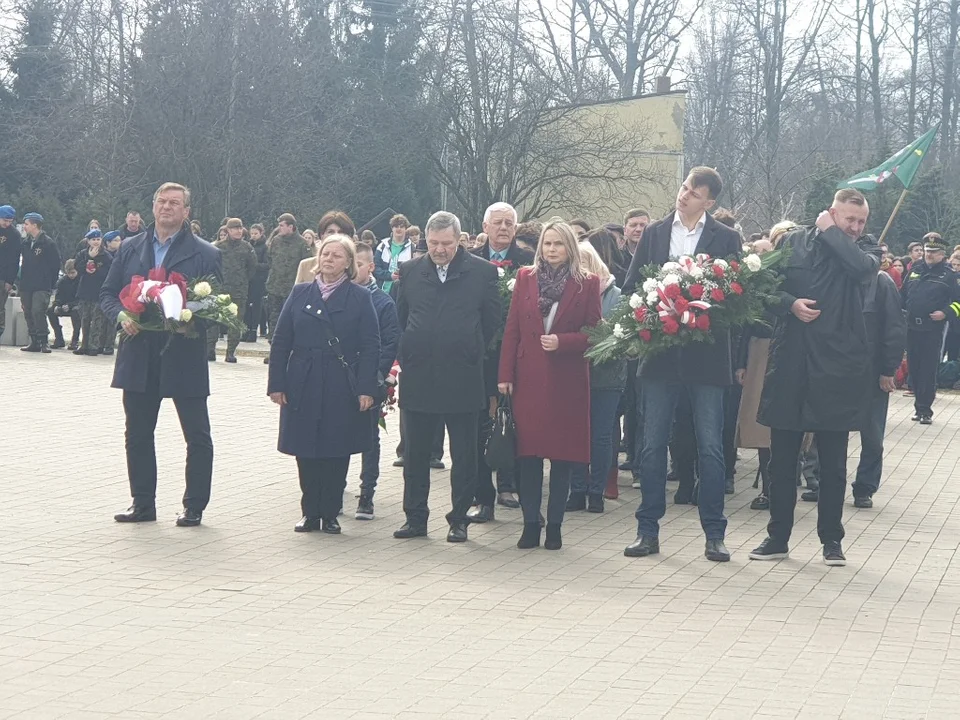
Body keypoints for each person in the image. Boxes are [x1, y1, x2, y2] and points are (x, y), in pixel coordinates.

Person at [750, 188, 878, 566]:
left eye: (860, 221)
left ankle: (831, 541)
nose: (855, 227)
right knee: (782, 460)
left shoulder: (867, 250)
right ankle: (777, 537)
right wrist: (789, 304)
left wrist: (831, 234)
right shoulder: (792, 243)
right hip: (792, 362)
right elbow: (763, 289)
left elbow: (858, 268)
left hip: (838, 368)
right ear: (831, 213)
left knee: (834, 464)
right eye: (848, 220)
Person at [621, 168, 741, 563]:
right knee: (653, 445)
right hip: (660, 354)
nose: (684, 195)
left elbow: (737, 296)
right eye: (684, 187)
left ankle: (714, 534)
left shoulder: (726, 238)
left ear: (709, 203)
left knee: (710, 446)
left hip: (706, 356)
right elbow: (632, 286)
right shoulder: (655, 233)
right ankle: (647, 530)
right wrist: (645, 316)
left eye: (694, 192)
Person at [100, 182, 222, 528]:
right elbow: (108, 293)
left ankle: (194, 505)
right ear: (153, 207)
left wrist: (191, 321)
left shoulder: (205, 252)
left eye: (174, 203)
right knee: (137, 432)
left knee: (196, 434)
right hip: (139, 351)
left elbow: (215, 306)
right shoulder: (129, 247)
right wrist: (121, 316)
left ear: (186, 212)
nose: (167, 208)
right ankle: (142, 503)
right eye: (162, 202)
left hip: (183, 352)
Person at [393, 211, 500, 543]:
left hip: (463, 376)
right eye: (433, 243)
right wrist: (410, 350)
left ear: (460, 241)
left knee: (465, 454)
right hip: (420, 375)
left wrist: (469, 346)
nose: (439, 250)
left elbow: (492, 321)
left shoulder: (483, 273)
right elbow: (400, 317)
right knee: (415, 453)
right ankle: (415, 518)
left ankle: (459, 519)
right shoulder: (410, 271)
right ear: (425, 240)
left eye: (446, 244)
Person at [267, 235, 380, 534]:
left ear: (348, 264)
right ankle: (309, 512)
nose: (329, 259)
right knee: (305, 447)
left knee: (335, 447)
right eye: (325, 254)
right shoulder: (300, 292)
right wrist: (276, 383)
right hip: (302, 378)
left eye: (337, 256)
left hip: (339, 380)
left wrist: (367, 388)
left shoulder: (359, 297)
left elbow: (371, 345)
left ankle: (330, 513)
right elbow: (281, 341)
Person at [499, 220, 601, 549]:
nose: (552, 250)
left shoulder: (587, 283)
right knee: (528, 456)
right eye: (547, 244)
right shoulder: (525, 279)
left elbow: (594, 334)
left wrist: (564, 341)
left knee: (561, 457)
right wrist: (504, 375)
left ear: (569, 247)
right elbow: (512, 329)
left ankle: (555, 524)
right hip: (528, 378)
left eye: (558, 244)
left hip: (566, 381)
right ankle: (531, 522)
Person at [467, 201, 534, 520]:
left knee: (513, 422)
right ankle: (483, 496)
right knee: (480, 424)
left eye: (510, 223)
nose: (504, 227)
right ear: (485, 227)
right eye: (498, 222)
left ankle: (509, 485)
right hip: (479, 356)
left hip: (516, 356)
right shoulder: (468, 261)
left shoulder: (528, 262)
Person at [736, 221, 796, 511]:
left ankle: (789, 486)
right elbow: (747, 320)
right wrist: (741, 362)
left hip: (795, 350)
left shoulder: (804, 276)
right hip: (761, 348)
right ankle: (770, 490)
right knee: (761, 425)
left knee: (792, 423)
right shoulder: (763, 276)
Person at [568, 241, 625, 510]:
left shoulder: (617, 295)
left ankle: (596, 491)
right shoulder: (569, 291)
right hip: (575, 373)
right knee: (576, 432)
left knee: (601, 435)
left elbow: (620, 336)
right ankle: (577, 489)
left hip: (607, 376)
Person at [850, 237, 906, 508]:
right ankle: (819, 479)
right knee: (826, 429)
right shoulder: (841, 280)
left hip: (873, 372)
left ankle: (865, 487)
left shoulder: (883, 284)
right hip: (839, 369)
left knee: (872, 434)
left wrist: (888, 370)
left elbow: (894, 330)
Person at [352, 242, 400, 520]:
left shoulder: (383, 302)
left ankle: (366, 494)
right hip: (340, 379)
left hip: (370, 380)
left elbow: (390, 342)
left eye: (357, 263)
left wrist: (374, 375)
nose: (351, 268)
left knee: (369, 438)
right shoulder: (338, 296)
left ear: (371, 266)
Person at [900, 232, 960, 424]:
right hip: (911, 326)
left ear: (942, 254)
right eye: (927, 251)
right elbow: (903, 295)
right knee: (915, 368)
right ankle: (918, 405)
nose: (929, 255)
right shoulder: (916, 269)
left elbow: (958, 303)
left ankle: (925, 409)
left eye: (933, 252)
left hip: (933, 328)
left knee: (928, 368)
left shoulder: (949, 275)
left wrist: (945, 313)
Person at [264, 213, 311, 363]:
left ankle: (289, 353)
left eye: (282, 225)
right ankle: (273, 351)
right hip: (275, 286)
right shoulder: (276, 241)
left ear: (291, 227)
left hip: (292, 289)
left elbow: (307, 266)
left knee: (290, 321)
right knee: (273, 320)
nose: (279, 228)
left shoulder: (302, 244)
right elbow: (270, 260)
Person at [208, 218, 256, 363]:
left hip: (239, 290)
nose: (238, 231)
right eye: (235, 228)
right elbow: (211, 266)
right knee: (214, 320)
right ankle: (210, 350)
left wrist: (242, 280)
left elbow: (252, 268)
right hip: (220, 289)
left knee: (236, 322)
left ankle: (230, 352)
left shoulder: (247, 248)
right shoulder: (217, 247)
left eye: (240, 228)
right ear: (227, 230)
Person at [18, 213, 62, 353]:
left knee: (38, 311)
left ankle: (44, 341)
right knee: (28, 311)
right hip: (26, 284)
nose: (24, 227)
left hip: (42, 284)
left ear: (34, 225)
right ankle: (34, 341)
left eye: (26, 224)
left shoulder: (48, 243)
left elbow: (55, 265)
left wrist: (50, 282)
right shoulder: (25, 243)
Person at [74, 230, 113, 356]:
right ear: (88, 241)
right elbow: (77, 268)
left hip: (98, 292)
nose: (96, 242)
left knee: (97, 320)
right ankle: (84, 344)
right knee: (85, 319)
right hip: (85, 291)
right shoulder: (82, 254)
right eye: (93, 240)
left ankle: (94, 345)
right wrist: (88, 261)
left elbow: (109, 272)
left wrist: (97, 269)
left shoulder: (106, 256)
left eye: (98, 239)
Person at [295, 212, 355, 284]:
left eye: (341, 232)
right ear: (321, 235)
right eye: (330, 232)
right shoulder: (306, 266)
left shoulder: (360, 266)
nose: (335, 236)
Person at [374, 214, 413, 295]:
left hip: (402, 293)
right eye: (396, 226)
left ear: (406, 229)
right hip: (382, 292)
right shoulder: (382, 246)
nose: (399, 229)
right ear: (392, 228)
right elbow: (375, 268)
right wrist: (389, 276)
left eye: (402, 226)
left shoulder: (413, 248)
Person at [0, 204, 22, 344]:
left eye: (9, 221)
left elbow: (14, 260)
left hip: (3, 276)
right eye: (4, 220)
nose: (7, 223)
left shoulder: (14, 234)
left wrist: (10, 280)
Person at [47, 259, 81, 350]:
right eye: (69, 273)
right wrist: (56, 305)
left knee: (76, 312)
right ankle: (59, 338)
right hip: (64, 306)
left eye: (73, 273)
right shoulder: (62, 281)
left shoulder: (81, 280)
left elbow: (81, 299)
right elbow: (58, 296)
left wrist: (70, 305)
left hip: (77, 306)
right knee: (50, 311)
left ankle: (74, 341)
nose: (71, 275)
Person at [244, 223, 269, 342]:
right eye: (252, 233)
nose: (253, 236)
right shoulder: (248, 246)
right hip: (248, 280)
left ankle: (254, 330)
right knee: (247, 306)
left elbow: (267, 264)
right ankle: (246, 329)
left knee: (256, 306)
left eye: (256, 233)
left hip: (259, 280)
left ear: (261, 233)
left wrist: (254, 265)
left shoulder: (264, 247)